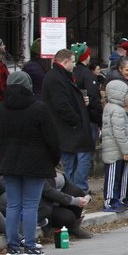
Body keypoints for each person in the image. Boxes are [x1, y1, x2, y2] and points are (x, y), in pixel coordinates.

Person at [0, 70, 60, 255]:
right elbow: (52, 139)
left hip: (9, 161)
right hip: (35, 163)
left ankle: (13, 246)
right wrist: (53, 160)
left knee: (14, 205)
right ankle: (30, 245)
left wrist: (1, 156)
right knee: (31, 205)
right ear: (28, 85)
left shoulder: (0, 109)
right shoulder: (39, 109)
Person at [42, 48, 95, 192]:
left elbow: (66, 100)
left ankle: (74, 192)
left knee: (71, 163)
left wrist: (79, 101)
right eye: (72, 62)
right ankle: (71, 193)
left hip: (68, 130)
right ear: (65, 62)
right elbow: (61, 105)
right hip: (66, 130)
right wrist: (76, 121)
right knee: (69, 166)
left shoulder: (60, 76)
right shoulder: (56, 78)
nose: (74, 65)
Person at [101, 81, 128, 212]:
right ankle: (110, 201)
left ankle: (117, 200)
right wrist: (126, 150)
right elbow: (119, 132)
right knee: (113, 176)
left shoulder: (108, 107)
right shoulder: (118, 110)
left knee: (115, 176)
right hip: (115, 150)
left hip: (114, 148)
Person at [39, 171, 93, 240]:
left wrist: (86, 196)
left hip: (61, 202)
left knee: (78, 192)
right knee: (68, 217)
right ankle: (53, 229)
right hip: (47, 206)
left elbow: (69, 186)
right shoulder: (42, 172)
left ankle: (74, 226)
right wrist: (74, 201)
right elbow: (50, 193)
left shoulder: (56, 168)